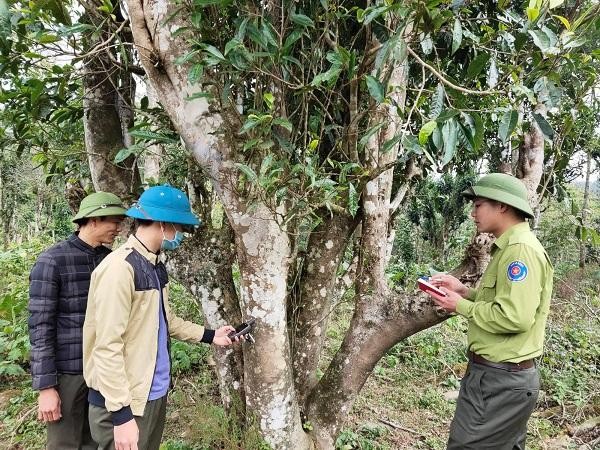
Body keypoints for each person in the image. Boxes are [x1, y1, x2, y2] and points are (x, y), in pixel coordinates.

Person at [83, 185, 238, 450]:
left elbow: (166, 320)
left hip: (151, 393)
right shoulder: (120, 269)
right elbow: (107, 345)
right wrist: (121, 416)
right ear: (163, 223)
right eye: (180, 227)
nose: (181, 235)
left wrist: (212, 336)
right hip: (123, 402)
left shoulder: (153, 264)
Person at [426, 173, 553, 450]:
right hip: (499, 378)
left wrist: (458, 306)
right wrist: (464, 292)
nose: (473, 213)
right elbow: (503, 303)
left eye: (479, 205)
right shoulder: (509, 248)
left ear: (502, 206)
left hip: (500, 382)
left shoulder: (520, 252)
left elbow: (514, 317)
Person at [29, 191, 127, 450]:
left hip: (105, 370)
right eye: (114, 222)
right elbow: (40, 327)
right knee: (65, 444)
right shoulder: (52, 261)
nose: (118, 229)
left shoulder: (111, 260)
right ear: (93, 220)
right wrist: (46, 388)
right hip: (68, 374)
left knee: (99, 441)